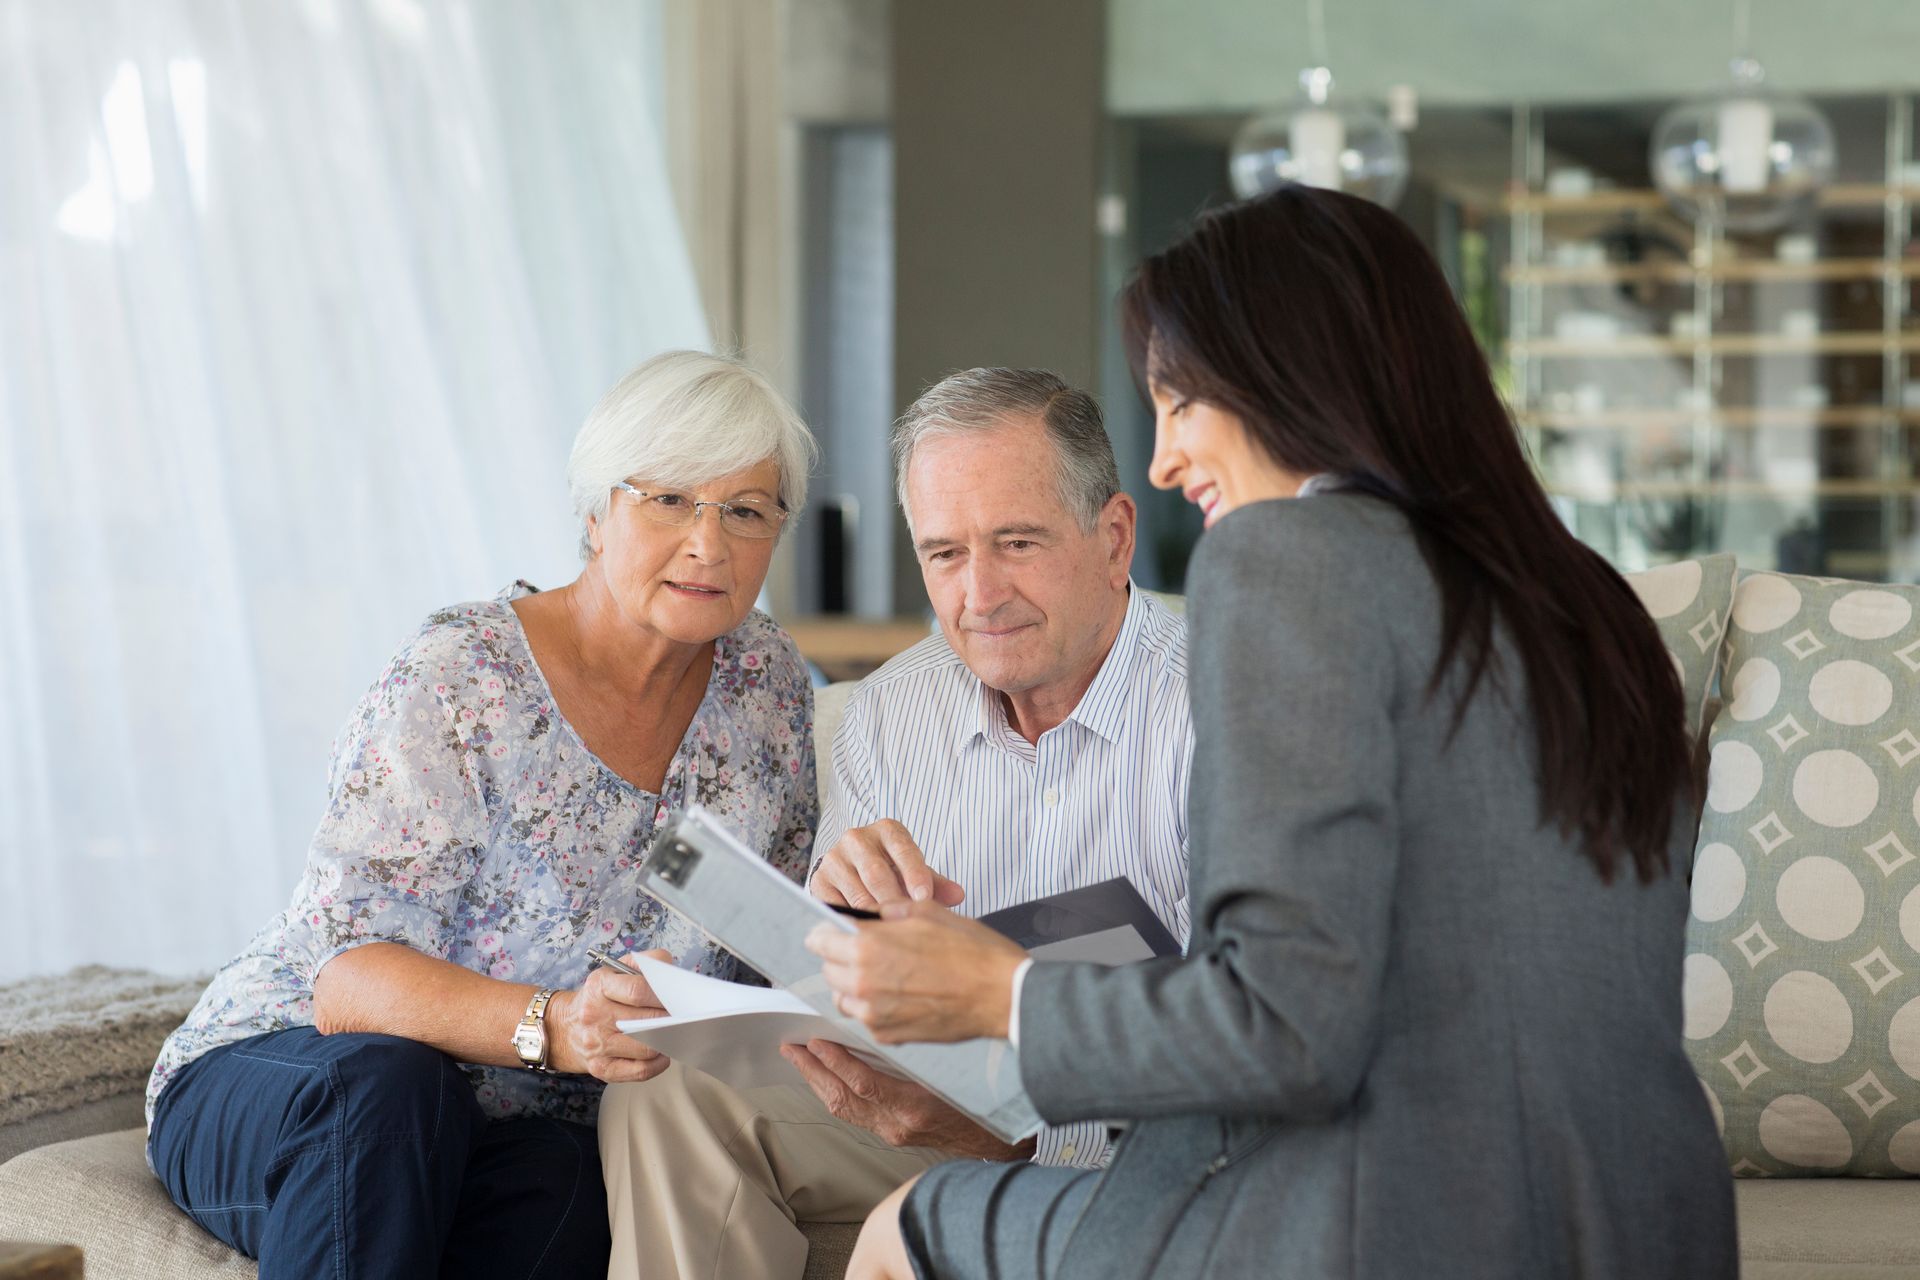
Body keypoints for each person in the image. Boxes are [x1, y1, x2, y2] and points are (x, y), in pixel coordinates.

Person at [814, 186, 1740, 1279]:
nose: (1161, 459)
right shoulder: (1584, 599)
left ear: (1282, 376)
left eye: (1179, 401)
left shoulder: (1289, 560)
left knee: (901, 1228)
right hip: (1645, 1225)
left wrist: (992, 991)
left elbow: (1288, 1024)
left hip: (1389, 1225)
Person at [144, 350, 821, 1279]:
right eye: (667, 499)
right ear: (594, 514)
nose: (709, 543)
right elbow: (348, 980)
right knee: (393, 1090)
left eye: (745, 511)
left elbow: (773, 948)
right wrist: (558, 1025)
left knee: (572, 1185)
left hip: (518, 1126)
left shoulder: (771, 693)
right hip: (298, 1075)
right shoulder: (462, 676)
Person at [597, 367, 1193, 1280]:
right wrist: (839, 931)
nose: (979, 595)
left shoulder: (1225, 710)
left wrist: (1026, 1142)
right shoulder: (886, 713)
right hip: (935, 1106)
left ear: (1114, 537)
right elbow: (845, 988)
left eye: (1018, 543)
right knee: (667, 1090)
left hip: (1156, 1144)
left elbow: (1255, 1043)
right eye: (945, 554)